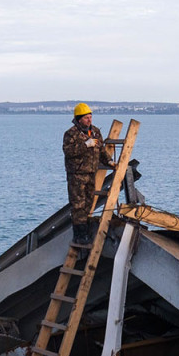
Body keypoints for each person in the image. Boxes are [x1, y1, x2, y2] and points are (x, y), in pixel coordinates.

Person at [61, 103, 113, 253]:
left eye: (90, 117)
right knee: (78, 205)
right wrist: (86, 145)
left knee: (89, 202)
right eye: (86, 118)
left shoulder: (95, 132)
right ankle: (79, 235)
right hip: (76, 175)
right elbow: (68, 151)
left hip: (91, 173)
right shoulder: (70, 134)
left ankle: (85, 231)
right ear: (78, 119)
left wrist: (108, 161)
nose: (89, 120)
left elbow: (101, 150)